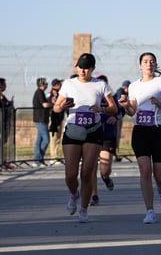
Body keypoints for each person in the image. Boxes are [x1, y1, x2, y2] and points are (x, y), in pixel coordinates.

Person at [52, 53, 117, 223]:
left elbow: (113, 108)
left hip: (93, 131)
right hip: (73, 131)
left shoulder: (100, 85)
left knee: (87, 173)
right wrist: (62, 106)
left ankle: (84, 209)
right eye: (80, 67)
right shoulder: (68, 84)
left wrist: (101, 110)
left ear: (93, 69)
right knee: (70, 175)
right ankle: (74, 194)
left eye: (86, 67)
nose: (82, 70)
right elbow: (56, 108)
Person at [118, 52, 161, 224]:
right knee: (145, 170)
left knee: (160, 176)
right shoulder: (133, 86)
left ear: (155, 65)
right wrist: (125, 106)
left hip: (159, 131)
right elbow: (132, 111)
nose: (149, 64)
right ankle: (150, 210)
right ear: (140, 65)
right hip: (140, 131)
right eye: (145, 61)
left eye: (152, 61)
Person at [89, 74, 121, 206]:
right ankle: (94, 195)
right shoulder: (90, 97)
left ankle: (106, 177)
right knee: (91, 167)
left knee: (105, 167)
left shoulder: (112, 98)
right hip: (92, 134)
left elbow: (119, 112)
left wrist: (116, 117)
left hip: (107, 135)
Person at [32, 77, 52, 167]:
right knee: (46, 139)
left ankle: (37, 159)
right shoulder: (39, 92)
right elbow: (45, 104)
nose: (47, 85)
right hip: (40, 119)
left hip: (42, 119)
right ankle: (39, 158)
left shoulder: (41, 93)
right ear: (42, 84)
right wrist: (54, 104)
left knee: (39, 140)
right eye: (46, 83)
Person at [48, 78, 65, 165]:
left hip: (60, 117)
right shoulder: (53, 94)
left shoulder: (59, 93)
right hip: (54, 118)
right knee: (53, 138)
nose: (61, 86)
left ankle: (56, 156)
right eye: (59, 84)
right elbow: (55, 104)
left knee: (58, 138)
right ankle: (53, 157)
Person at [113, 79, 131, 160]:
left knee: (117, 135)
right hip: (116, 117)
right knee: (116, 135)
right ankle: (114, 154)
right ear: (126, 87)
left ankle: (115, 153)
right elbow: (120, 104)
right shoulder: (121, 92)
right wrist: (119, 114)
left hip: (117, 116)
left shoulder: (124, 93)